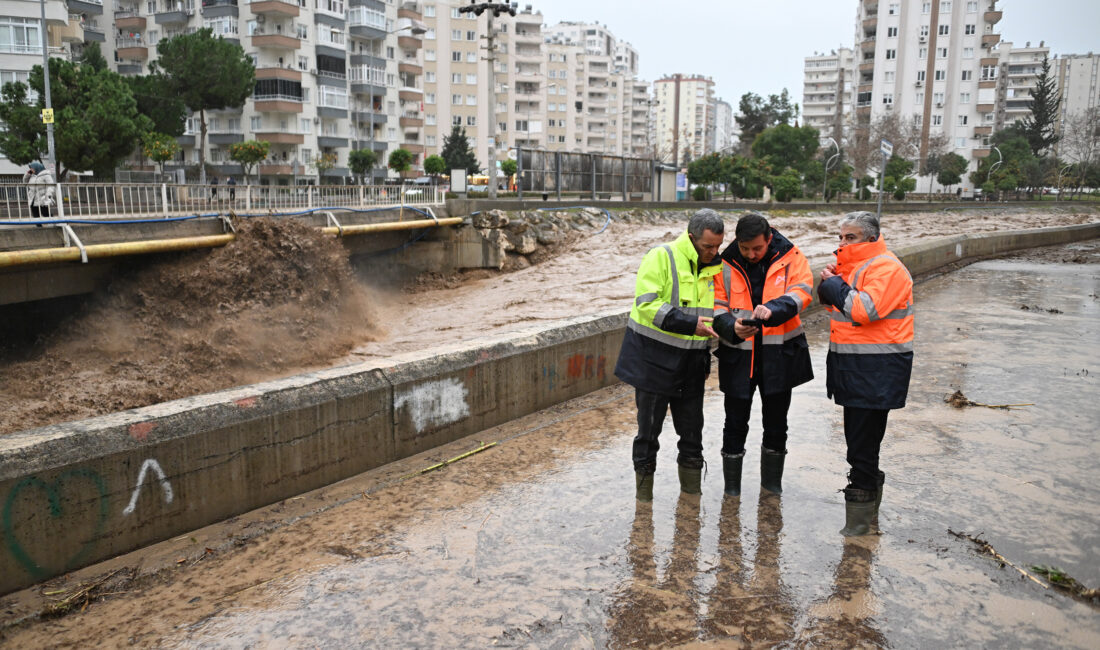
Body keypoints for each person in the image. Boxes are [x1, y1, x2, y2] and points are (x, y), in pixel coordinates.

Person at [614, 209, 724, 501]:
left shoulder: (715, 268)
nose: (713, 253)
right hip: (654, 364)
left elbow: (717, 310)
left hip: (691, 365)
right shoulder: (660, 257)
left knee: (692, 437)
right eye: (707, 247)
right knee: (648, 436)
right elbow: (647, 304)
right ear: (691, 238)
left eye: (717, 247)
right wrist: (690, 324)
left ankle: (691, 500)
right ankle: (644, 502)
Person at [817, 211, 914, 536]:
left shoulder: (886, 267)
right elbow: (840, 311)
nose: (843, 243)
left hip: (875, 372)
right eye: (841, 237)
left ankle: (857, 531)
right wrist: (831, 286)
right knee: (862, 446)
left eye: (851, 237)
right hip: (857, 369)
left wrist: (834, 284)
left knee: (861, 448)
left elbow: (865, 310)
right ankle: (866, 521)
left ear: (872, 238)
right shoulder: (858, 268)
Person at [711, 213, 814, 497]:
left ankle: (771, 486)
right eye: (745, 248)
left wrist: (774, 309)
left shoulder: (792, 256)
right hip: (739, 357)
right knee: (733, 424)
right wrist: (732, 327)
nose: (751, 254)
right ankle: (732, 489)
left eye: (757, 248)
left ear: (769, 238)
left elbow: (802, 291)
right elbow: (715, 307)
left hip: (779, 356)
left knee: (777, 423)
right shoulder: (724, 263)